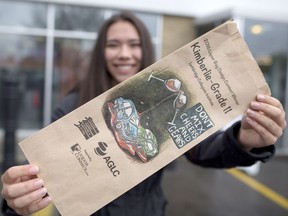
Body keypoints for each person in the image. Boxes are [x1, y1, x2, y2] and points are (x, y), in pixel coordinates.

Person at [1, 11, 286, 216]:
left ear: (145, 50)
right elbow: (41, 176)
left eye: (134, 44)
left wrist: (244, 140)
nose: (124, 53)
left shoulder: (166, 96)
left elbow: (202, 151)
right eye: (114, 45)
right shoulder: (73, 106)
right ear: (101, 52)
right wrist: (15, 201)